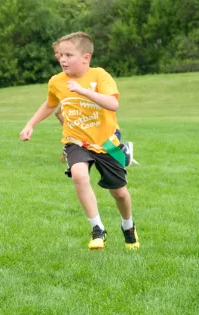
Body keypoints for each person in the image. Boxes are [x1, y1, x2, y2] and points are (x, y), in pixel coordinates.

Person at [19, 32, 139, 250]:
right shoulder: (57, 81)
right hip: (76, 140)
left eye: (68, 55)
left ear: (86, 58)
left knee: (119, 193)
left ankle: (128, 226)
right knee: (79, 174)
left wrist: (83, 91)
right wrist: (30, 124)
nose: (62, 59)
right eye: (60, 55)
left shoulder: (99, 76)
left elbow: (113, 105)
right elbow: (49, 104)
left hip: (107, 142)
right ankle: (97, 228)